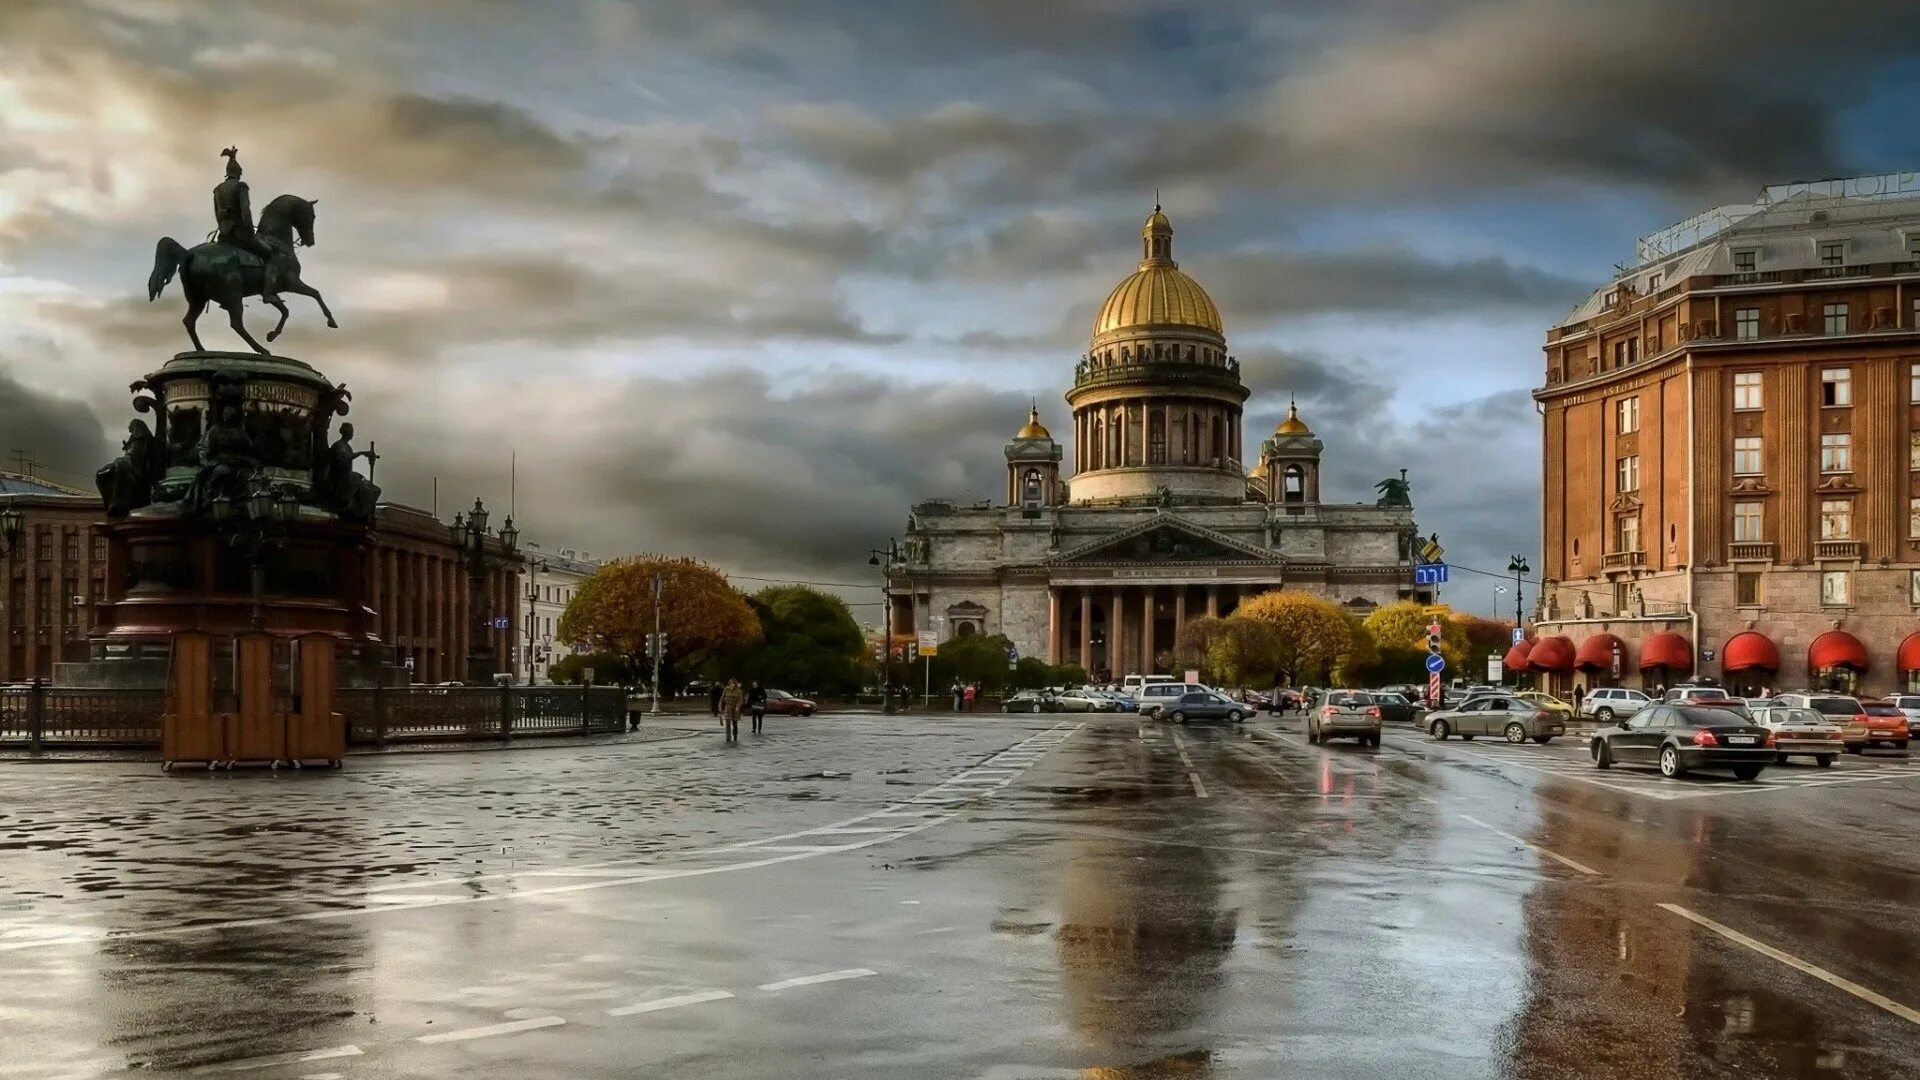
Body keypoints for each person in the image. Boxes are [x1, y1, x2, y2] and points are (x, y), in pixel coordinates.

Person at [719, 678, 745, 742]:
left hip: (735, 708)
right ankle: (728, 738)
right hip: (727, 708)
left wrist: (737, 707)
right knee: (727, 723)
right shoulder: (726, 689)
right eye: (731, 683)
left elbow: (740, 700)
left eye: (733, 683)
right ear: (729, 683)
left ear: (735, 684)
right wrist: (720, 707)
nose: (732, 684)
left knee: (734, 723)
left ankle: (735, 734)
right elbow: (721, 698)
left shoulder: (738, 691)